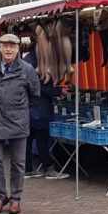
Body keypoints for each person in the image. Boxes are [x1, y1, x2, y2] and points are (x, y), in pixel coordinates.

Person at [0, 34, 40, 214]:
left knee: (18, 163)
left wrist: (17, 108)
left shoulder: (27, 69)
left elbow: (35, 95)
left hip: (18, 122)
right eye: (5, 45)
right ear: (0, 47)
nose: (8, 49)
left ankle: (15, 198)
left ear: (18, 49)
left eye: (12, 46)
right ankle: (0, 197)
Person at [22, 50, 70, 180]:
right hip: (38, 111)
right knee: (42, 140)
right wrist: (58, 90)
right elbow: (39, 89)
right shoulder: (34, 63)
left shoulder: (27, 61)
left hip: (29, 110)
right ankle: (48, 168)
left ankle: (28, 169)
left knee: (28, 140)